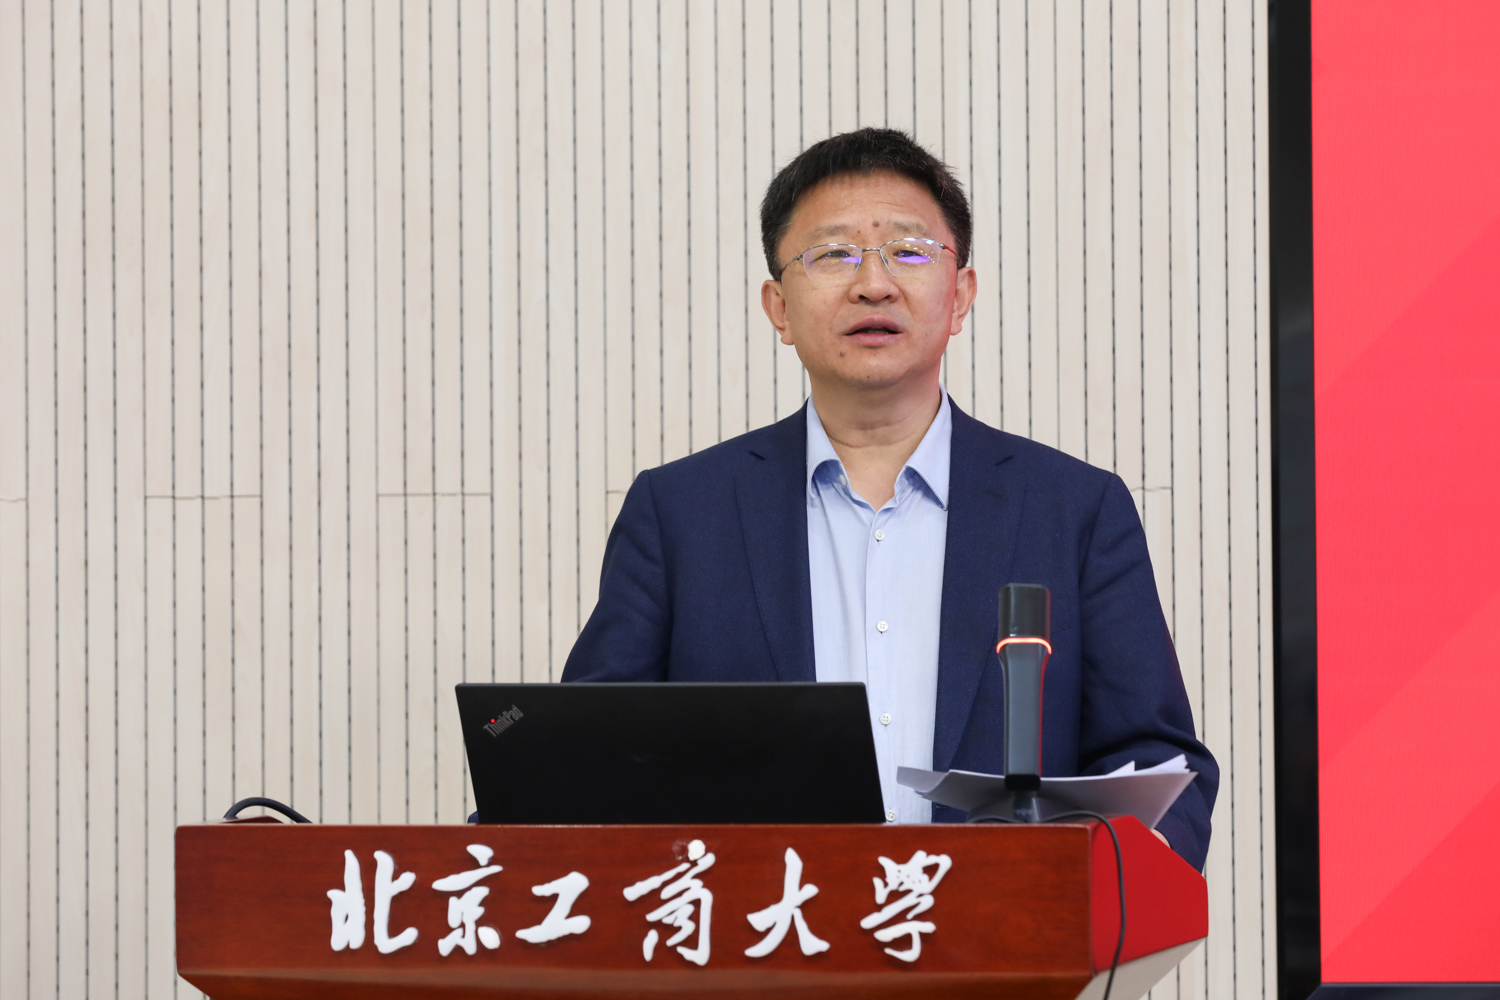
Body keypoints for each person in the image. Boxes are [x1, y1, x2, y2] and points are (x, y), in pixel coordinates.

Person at [561, 127, 1218, 871]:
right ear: (779, 307)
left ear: (960, 295)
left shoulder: (1074, 509)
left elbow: (1154, 759)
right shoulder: (682, 513)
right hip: (767, 933)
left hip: (1002, 934)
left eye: (908, 252)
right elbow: (585, 756)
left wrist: (1123, 873)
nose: (873, 283)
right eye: (833, 255)